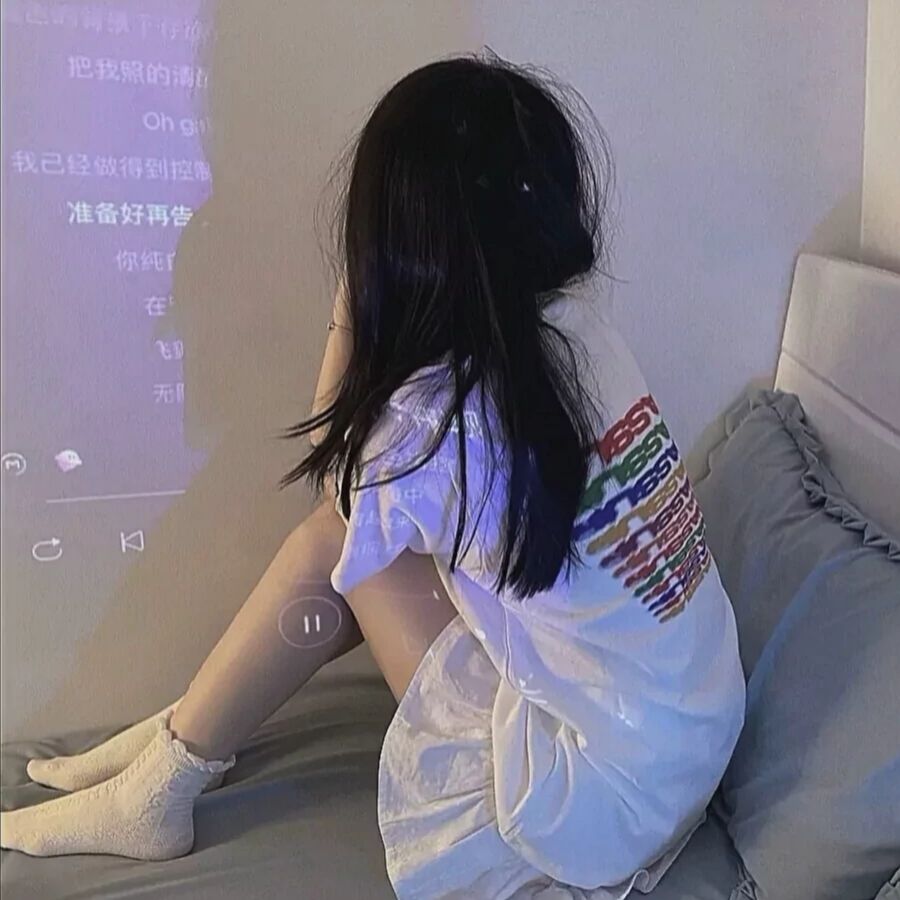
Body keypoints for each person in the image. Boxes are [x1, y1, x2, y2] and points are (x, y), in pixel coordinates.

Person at [0, 53, 746, 899]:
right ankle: (173, 744)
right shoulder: (581, 331)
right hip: (690, 735)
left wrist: (358, 295)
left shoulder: (446, 416)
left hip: (600, 802)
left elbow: (338, 494)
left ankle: (163, 780)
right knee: (359, 536)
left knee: (335, 541)